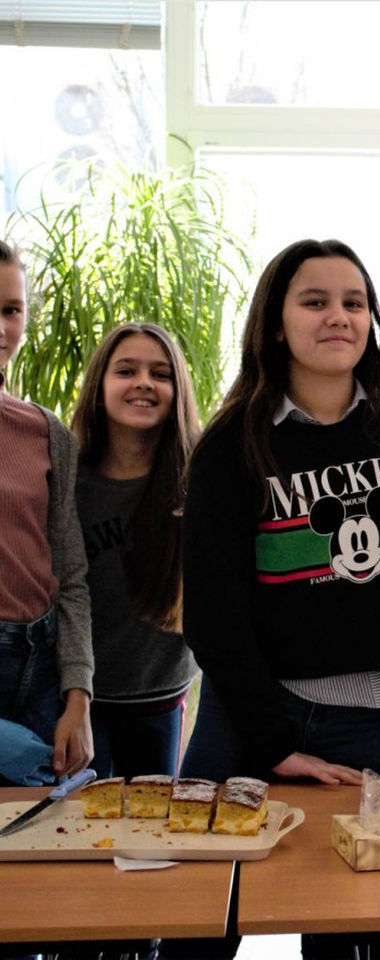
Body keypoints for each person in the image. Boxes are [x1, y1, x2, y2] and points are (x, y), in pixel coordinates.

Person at [165, 238, 380, 960]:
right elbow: (214, 614)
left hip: (375, 723)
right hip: (250, 716)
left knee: (350, 932)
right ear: (276, 323)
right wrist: (273, 742)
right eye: (315, 301)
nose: (338, 317)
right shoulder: (232, 444)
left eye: (354, 302)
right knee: (198, 922)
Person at [71, 323, 199, 779]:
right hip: (79, 700)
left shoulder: (197, 481)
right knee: (78, 818)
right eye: (126, 371)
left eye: (160, 374)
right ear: (99, 386)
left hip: (161, 696)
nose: (144, 382)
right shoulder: (67, 481)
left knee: (152, 820)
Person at [0, 239, 93, 784]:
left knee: (48, 830)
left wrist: (78, 696)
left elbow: (71, 576)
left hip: (43, 671)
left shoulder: (47, 432)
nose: (1, 327)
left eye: (11, 310)